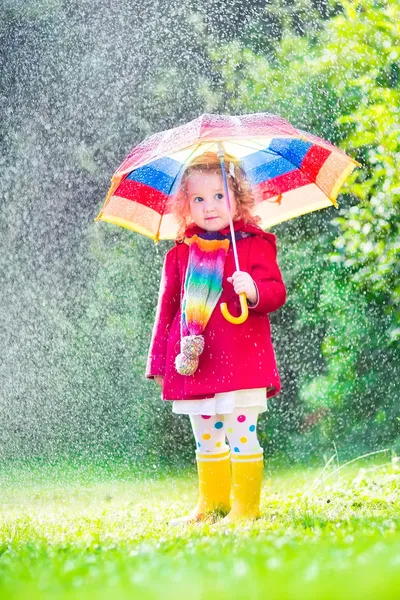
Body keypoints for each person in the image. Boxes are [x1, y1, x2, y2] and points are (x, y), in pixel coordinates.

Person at [145, 151, 287, 526]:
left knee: (241, 432)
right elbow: (168, 309)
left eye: (220, 196)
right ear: (185, 205)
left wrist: (253, 288)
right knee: (206, 435)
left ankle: (245, 507)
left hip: (242, 362)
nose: (209, 207)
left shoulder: (255, 245)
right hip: (196, 362)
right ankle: (212, 503)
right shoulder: (180, 254)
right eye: (198, 199)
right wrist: (158, 360)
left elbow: (275, 294)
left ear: (238, 198)